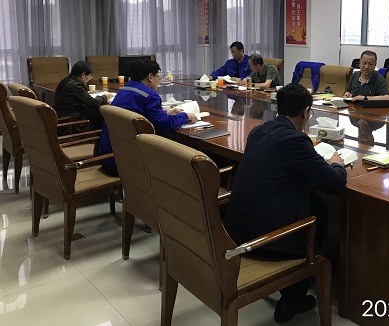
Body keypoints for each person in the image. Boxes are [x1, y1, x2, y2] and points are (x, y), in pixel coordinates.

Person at [223, 83, 347, 323]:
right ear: (306, 112)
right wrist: (336, 163)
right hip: (267, 242)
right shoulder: (296, 140)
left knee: (314, 203)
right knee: (318, 212)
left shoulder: (258, 132)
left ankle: (295, 288)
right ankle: (292, 298)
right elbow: (335, 182)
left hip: (236, 233)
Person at [98, 58, 196, 176]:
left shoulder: (124, 89)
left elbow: (142, 113)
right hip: (128, 164)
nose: (159, 80)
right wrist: (185, 116)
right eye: (158, 77)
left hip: (110, 156)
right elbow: (164, 125)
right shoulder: (150, 95)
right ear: (150, 77)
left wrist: (167, 113)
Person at [54, 61, 112, 130]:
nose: (90, 78)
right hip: (72, 125)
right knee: (103, 117)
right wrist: (105, 96)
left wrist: (84, 93)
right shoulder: (75, 86)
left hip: (63, 121)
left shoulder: (67, 81)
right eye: (90, 76)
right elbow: (94, 103)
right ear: (83, 75)